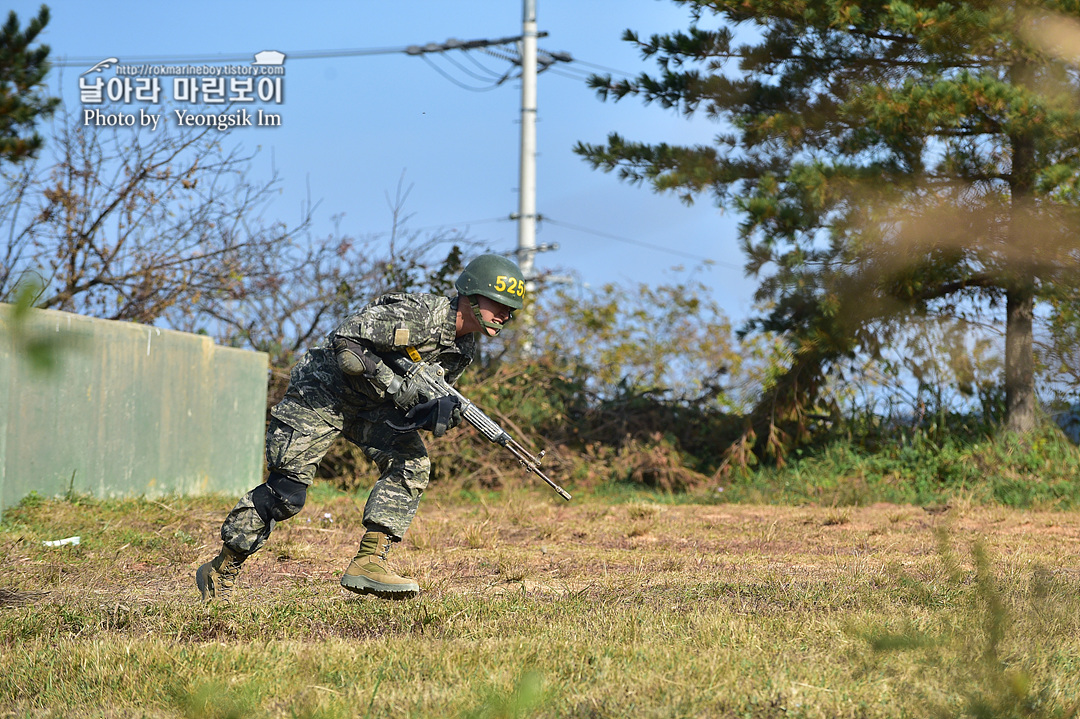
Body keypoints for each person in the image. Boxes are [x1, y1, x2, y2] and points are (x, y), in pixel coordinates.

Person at [195, 254, 526, 603]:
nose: (505, 314)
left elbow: (419, 396)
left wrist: (430, 413)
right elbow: (347, 344)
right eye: (499, 303)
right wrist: (397, 387)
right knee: (286, 495)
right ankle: (221, 567)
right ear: (471, 295)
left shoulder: (463, 349)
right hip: (322, 393)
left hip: (370, 408)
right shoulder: (419, 314)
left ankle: (369, 562)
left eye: (511, 309)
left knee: (411, 463)